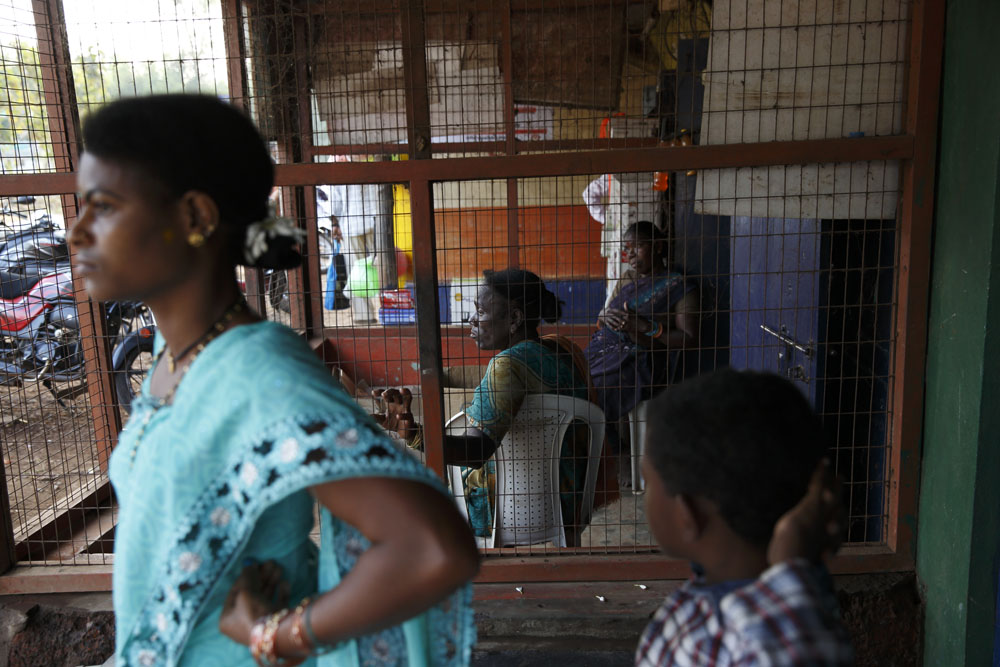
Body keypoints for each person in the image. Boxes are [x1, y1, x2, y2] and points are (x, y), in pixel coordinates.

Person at [69, 94, 478, 666]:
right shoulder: (175, 352)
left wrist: (279, 636)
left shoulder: (259, 372)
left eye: (103, 206)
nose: (77, 232)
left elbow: (433, 548)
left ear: (195, 218)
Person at [378, 269, 615, 546]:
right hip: (567, 500)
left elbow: (477, 451)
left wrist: (415, 435)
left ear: (514, 318)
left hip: (508, 511)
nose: (472, 319)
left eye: (480, 310)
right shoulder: (563, 350)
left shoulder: (507, 366)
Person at [636, 369, 854, 666]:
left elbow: (791, 653)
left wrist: (790, 567)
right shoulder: (804, 599)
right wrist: (795, 564)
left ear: (688, 516)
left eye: (648, 483)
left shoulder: (780, 638)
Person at [584, 220, 698, 457]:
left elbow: (688, 338)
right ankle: (607, 452)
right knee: (573, 382)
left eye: (638, 246)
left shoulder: (679, 286)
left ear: (657, 247)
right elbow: (604, 318)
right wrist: (603, 314)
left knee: (594, 393)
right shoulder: (627, 279)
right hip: (604, 350)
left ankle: (620, 454)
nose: (631, 254)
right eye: (627, 249)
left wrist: (645, 326)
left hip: (641, 358)